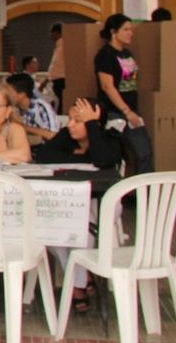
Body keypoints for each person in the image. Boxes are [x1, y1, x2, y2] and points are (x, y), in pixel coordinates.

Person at [31, 98, 125, 312]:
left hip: (101, 203)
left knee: (82, 226)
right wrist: (81, 157)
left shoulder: (110, 138)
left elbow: (104, 161)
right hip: (67, 202)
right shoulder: (66, 136)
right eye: (70, 119)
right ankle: (81, 280)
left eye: (79, 120)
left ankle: (77, 287)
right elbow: (43, 157)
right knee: (50, 228)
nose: (71, 125)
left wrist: (92, 127)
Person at [95, 13, 154, 174]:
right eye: (126, 29)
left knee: (145, 152)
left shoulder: (127, 53)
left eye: (131, 30)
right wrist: (126, 111)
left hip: (131, 109)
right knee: (118, 155)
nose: (130, 33)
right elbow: (107, 86)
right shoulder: (105, 55)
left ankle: (144, 188)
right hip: (115, 111)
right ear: (114, 32)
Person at [6, 72, 60, 142]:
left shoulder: (41, 107)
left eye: (8, 92)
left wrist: (20, 126)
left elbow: (53, 135)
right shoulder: (14, 109)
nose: (5, 95)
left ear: (22, 94)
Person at [48, 22, 66, 107]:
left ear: (56, 33)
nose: (50, 35)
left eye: (51, 33)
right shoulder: (60, 46)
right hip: (60, 80)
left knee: (61, 104)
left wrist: (46, 80)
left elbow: (55, 66)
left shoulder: (63, 46)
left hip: (61, 80)